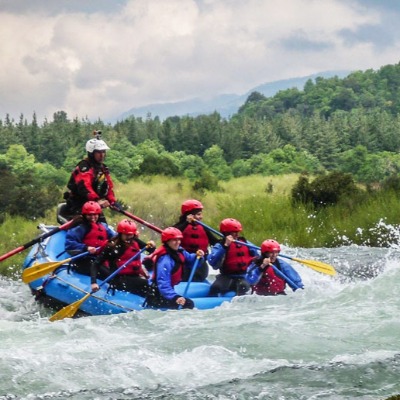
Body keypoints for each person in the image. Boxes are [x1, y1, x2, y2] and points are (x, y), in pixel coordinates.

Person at [61, 130, 117, 223]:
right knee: (87, 227)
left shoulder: (103, 168)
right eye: (98, 152)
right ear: (91, 153)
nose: (102, 155)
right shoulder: (84, 167)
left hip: (94, 206)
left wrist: (112, 201)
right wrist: (97, 200)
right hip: (78, 205)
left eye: (103, 152)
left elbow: (109, 186)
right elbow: (84, 187)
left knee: (103, 227)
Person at [90, 219, 155, 296]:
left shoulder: (133, 240)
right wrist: (93, 282)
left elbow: (150, 250)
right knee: (146, 285)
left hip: (133, 276)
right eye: (126, 235)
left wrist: (152, 245)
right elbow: (96, 264)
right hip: (118, 280)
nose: (129, 237)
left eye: (131, 235)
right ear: (120, 234)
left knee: (152, 284)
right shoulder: (111, 247)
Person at [144, 227, 204, 310]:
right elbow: (163, 284)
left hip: (167, 292)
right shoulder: (165, 261)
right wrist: (175, 297)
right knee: (189, 304)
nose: (178, 242)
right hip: (158, 295)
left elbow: (191, 259)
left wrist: (198, 256)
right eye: (174, 240)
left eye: (179, 239)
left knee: (188, 303)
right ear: (167, 242)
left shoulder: (179, 251)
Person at [208, 218, 257, 296]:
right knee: (215, 288)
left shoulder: (245, 243)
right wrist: (225, 246)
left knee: (243, 287)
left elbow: (257, 255)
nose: (237, 235)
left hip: (244, 276)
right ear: (227, 233)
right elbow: (212, 262)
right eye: (235, 233)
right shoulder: (220, 245)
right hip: (226, 276)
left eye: (238, 232)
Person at [65, 201, 116, 275]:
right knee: (108, 275)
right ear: (85, 215)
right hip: (85, 260)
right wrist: (86, 248)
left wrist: (128, 235)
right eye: (90, 215)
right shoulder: (81, 227)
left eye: (95, 215)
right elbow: (69, 244)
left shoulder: (103, 226)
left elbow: (116, 238)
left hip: (100, 259)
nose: (93, 217)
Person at [173, 199, 218, 282]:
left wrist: (226, 241)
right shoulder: (180, 227)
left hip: (200, 264)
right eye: (198, 214)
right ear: (190, 215)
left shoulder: (203, 228)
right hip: (184, 264)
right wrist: (186, 222)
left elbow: (215, 242)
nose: (201, 217)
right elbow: (173, 235)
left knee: (199, 274)